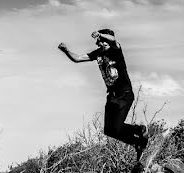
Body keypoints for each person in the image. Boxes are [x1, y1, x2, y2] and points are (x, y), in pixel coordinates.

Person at [58, 28, 149, 164]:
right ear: (99, 43)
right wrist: (66, 51)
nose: (105, 43)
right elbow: (77, 58)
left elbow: (113, 40)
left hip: (124, 94)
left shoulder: (116, 50)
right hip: (112, 96)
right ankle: (136, 141)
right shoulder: (98, 53)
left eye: (107, 41)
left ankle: (139, 130)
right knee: (109, 130)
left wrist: (101, 35)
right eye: (102, 41)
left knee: (117, 128)